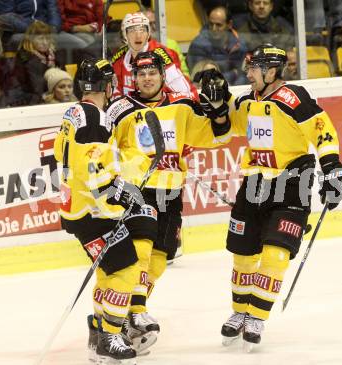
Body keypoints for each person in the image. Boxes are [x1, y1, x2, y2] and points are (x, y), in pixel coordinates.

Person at [199, 44, 342, 350]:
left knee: (276, 254)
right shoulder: (248, 102)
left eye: (253, 69)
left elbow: (323, 131)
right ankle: (240, 311)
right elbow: (227, 129)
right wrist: (217, 108)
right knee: (242, 255)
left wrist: (332, 169)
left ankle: (256, 315)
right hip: (254, 184)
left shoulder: (293, 98)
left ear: (270, 71)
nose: (248, 74)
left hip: (292, 183)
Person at [104, 50, 231, 354]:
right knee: (142, 251)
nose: (146, 78)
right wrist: (112, 181)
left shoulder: (182, 106)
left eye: (152, 73)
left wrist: (219, 111)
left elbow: (216, 135)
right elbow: (103, 146)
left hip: (171, 190)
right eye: (141, 73)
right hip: (139, 190)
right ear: (133, 77)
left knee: (160, 257)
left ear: (163, 75)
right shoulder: (119, 108)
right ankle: (132, 310)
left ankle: (134, 308)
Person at [54, 58, 152, 364]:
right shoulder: (96, 117)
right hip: (93, 212)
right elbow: (92, 169)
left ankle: (98, 333)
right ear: (106, 86)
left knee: (113, 269)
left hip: (78, 209)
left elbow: (61, 151)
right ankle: (110, 336)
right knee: (125, 270)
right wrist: (118, 194)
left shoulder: (74, 113)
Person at [111, 12, 197, 100]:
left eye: (142, 30)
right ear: (125, 35)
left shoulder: (162, 56)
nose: (138, 36)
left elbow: (187, 93)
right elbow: (115, 94)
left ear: (148, 33)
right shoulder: (119, 59)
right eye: (132, 30)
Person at [187, 5, 248, 86]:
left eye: (218, 25)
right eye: (211, 24)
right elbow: (202, 79)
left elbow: (245, 75)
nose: (214, 29)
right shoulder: (198, 45)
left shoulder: (239, 43)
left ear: (229, 24)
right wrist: (234, 73)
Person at [13, 20, 64, 105]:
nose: (45, 42)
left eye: (47, 38)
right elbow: (36, 89)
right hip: (32, 101)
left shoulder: (55, 55)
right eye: (40, 39)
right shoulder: (26, 58)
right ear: (31, 39)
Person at [142, 7, 190, 76]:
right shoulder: (137, 47)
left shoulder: (171, 44)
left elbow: (184, 72)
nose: (153, 27)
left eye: (155, 23)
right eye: (149, 24)